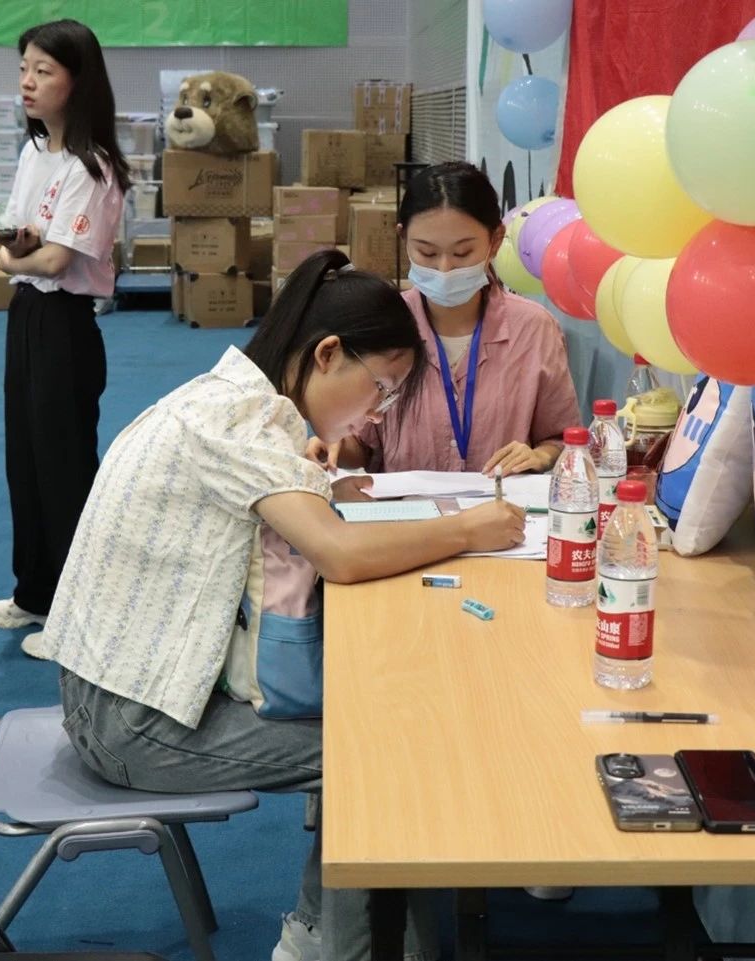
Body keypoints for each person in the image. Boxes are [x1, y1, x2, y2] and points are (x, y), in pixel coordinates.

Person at [38, 247, 525, 961]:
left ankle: (333, 930)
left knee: (378, 723)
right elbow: (340, 554)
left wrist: (315, 477)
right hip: (129, 721)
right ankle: (336, 944)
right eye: (380, 387)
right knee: (379, 752)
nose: (376, 412)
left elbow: (288, 509)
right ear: (326, 354)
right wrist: (468, 529)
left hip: (133, 690)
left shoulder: (231, 400)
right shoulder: (242, 423)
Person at [0, 19, 127, 651]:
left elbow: (53, 260)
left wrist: (14, 258)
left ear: (78, 81)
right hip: (27, 315)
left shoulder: (93, 167)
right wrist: (19, 255)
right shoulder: (35, 152)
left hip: (65, 324)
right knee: (26, 461)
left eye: (43, 71)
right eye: (24, 69)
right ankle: (35, 593)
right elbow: (24, 241)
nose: (28, 82)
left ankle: (78, 618)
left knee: (64, 468)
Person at [308, 162, 580, 477]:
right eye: (427, 253)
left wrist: (538, 456)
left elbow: (562, 439)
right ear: (403, 237)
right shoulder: (380, 326)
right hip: (406, 508)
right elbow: (363, 445)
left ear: (495, 240)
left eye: (462, 253)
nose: (445, 268)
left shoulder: (534, 329)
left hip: (500, 505)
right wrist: (333, 445)